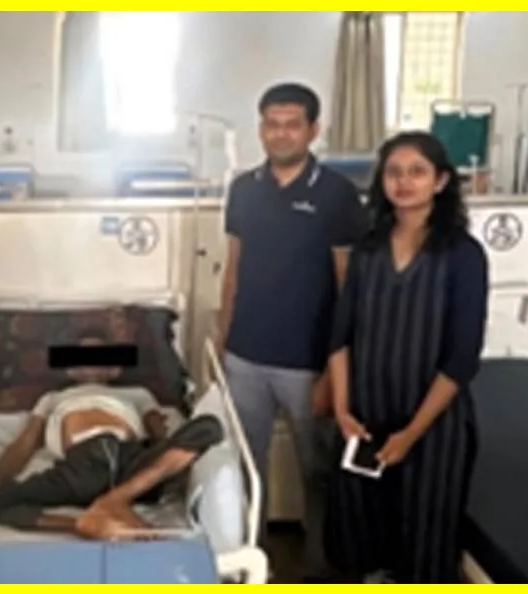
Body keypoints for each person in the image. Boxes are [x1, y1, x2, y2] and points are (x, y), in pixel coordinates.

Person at [217, 82, 366, 580]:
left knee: (317, 473)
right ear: (261, 128)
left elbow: (347, 287)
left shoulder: (338, 195)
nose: (280, 134)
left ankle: (320, 570)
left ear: (312, 130)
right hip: (245, 358)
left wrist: (336, 372)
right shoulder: (243, 189)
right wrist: (221, 341)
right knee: (245, 470)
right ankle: (251, 564)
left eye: (291, 125)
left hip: (309, 364)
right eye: (271, 124)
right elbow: (234, 269)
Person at [325, 131, 488, 584]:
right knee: (361, 536)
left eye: (417, 171)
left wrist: (411, 434)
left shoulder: (462, 255)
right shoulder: (367, 251)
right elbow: (340, 337)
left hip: (433, 427)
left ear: (440, 181)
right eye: (394, 172)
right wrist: (342, 410)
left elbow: (462, 358)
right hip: (364, 419)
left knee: (424, 543)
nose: (404, 182)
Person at [0, 330, 226, 539]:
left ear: (114, 368)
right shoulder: (53, 397)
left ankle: (113, 501)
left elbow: (160, 436)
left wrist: (169, 467)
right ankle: (85, 522)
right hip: (80, 466)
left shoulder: (137, 393)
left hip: (131, 464)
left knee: (208, 426)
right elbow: (25, 443)